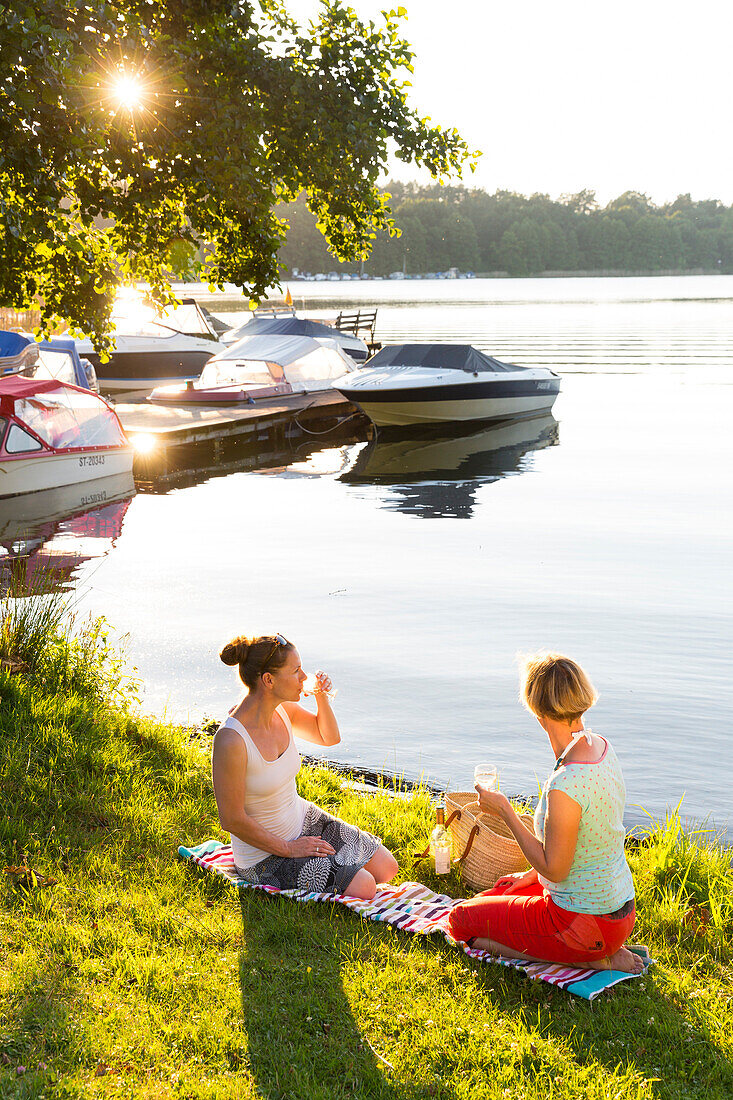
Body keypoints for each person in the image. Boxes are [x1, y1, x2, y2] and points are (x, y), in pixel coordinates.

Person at [448, 653, 644, 973]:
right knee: (501, 889)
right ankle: (596, 949)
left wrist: (505, 811)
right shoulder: (601, 748)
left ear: (538, 713)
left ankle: (591, 959)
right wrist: (529, 877)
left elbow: (555, 870)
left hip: (579, 925)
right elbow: (584, 847)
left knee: (460, 921)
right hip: (617, 910)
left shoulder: (566, 786)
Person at [212, 632, 398, 899]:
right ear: (268, 680)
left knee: (387, 868)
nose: (304, 677)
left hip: (303, 821)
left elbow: (329, 737)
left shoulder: (282, 710)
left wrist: (321, 695)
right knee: (366, 887)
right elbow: (231, 819)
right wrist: (289, 849)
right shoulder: (231, 740)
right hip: (264, 858)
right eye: (296, 671)